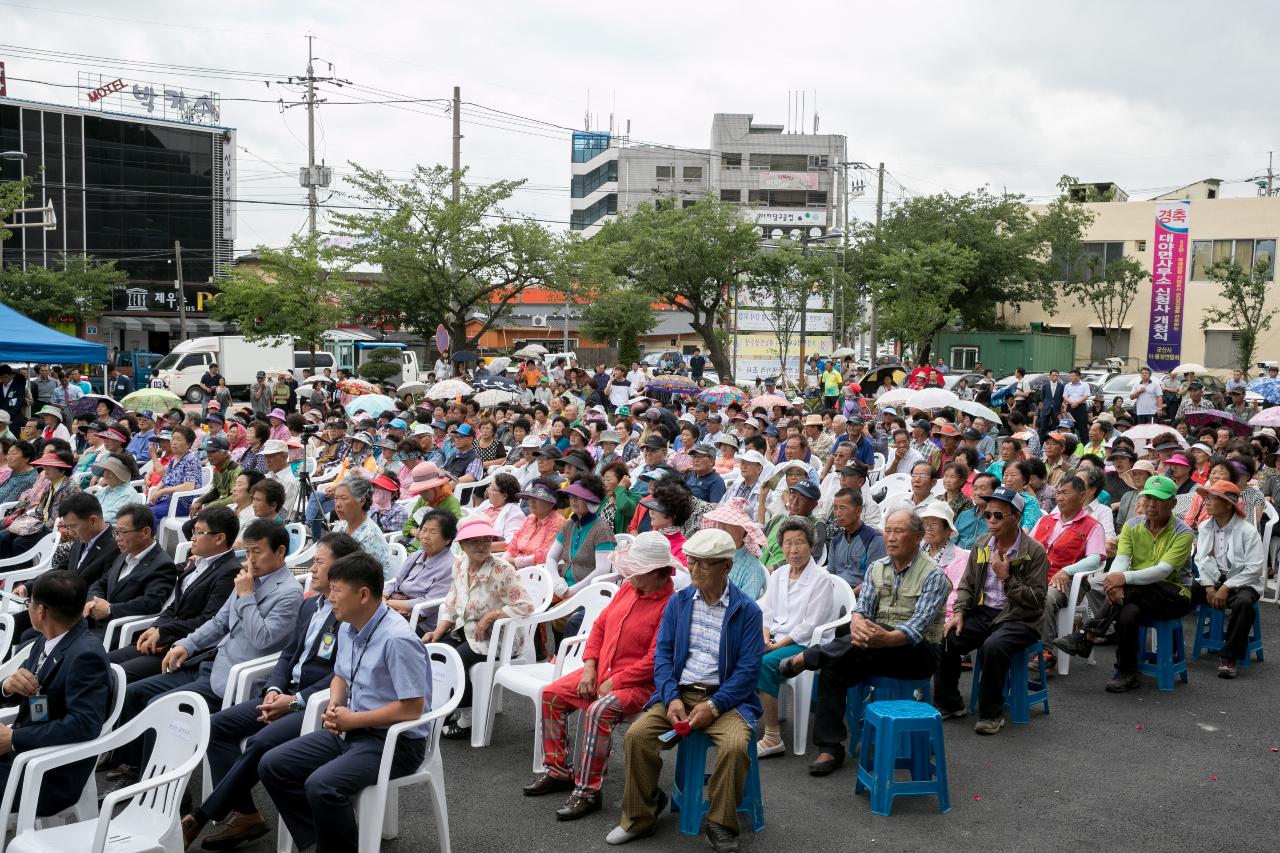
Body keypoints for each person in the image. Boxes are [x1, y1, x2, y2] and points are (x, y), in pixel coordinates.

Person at [181, 532, 362, 850]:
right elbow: (287, 655)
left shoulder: (348, 616)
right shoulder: (310, 607)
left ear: (342, 569)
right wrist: (274, 688)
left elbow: (342, 676)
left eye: (319, 562)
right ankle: (246, 814)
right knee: (217, 726)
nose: (313, 568)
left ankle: (201, 815)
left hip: (314, 704)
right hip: (284, 693)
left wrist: (293, 702)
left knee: (262, 743)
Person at [259, 551, 432, 853]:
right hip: (354, 728)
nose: (330, 598)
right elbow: (340, 675)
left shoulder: (397, 639)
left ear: (363, 594)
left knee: (322, 785)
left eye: (336, 591)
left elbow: (412, 708)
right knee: (274, 764)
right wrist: (336, 704)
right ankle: (319, 842)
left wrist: (353, 720)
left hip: (396, 742)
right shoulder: (348, 625)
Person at [107, 519, 303, 784]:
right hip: (209, 663)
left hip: (235, 678)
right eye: (248, 551)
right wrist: (187, 644)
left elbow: (263, 639)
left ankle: (158, 785)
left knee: (159, 707)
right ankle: (133, 765)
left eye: (258, 551)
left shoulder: (288, 593)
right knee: (135, 692)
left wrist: (246, 596)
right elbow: (219, 622)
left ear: (280, 552)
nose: (251, 558)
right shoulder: (249, 579)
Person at [606, 528, 763, 852]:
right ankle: (640, 816)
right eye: (691, 562)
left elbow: (748, 672)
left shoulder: (747, 611)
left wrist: (715, 705)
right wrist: (671, 696)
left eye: (704, 565)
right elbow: (663, 656)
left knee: (734, 746)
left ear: (726, 567)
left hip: (728, 701)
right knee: (638, 737)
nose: (694, 570)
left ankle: (720, 824)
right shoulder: (679, 604)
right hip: (681, 693)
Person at [778, 509, 949, 775]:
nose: (890, 538)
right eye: (888, 531)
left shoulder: (933, 575)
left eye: (899, 532)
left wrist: (882, 637)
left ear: (917, 537)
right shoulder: (877, 568)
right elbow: (862, 609)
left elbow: (916, 630)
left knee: (873, 631)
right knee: (835, 666)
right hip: (875, 647)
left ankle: (811, 657)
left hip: (918, 653)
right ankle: (830, 748)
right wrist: (858, 623)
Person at [525, 532, 677, 821]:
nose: (630, 575)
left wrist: (615, 681)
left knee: (598, 711)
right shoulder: (629, 589)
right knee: (551, 694)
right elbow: (599, 627)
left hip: (639, 685)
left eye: (637, 571)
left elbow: (656, 660)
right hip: (602, 670)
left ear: (659, 572)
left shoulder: (671, 604)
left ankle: (588, 791)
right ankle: (558, 771)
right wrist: (591, 666)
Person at [1054, 475, 1195, 692]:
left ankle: (1088, 634)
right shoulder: (1132, 525)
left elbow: (1163, 571)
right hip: (1135, 591)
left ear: (1173, 503)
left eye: (1158, 500)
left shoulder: (1183, 532)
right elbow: (1121, 559)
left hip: (1174, 594)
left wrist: (1122, 579)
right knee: (1128, 613)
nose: (1151, 504)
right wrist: (1115, 581)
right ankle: (1127, 673)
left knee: (1137, 586)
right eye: (1148, 498)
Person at [934, 487, 1049, 734]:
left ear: (1016, 517)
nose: (992, 521)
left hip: (1020, 618)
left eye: (999, 516)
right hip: (986, 612)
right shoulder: (982, 545)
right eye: (988, 515)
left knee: (993, 647)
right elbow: (966, 584)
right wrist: (960, 612)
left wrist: (1007, 578)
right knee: (947, 637)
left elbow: (1037, 600)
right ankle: (951, 703)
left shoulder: (1034, 552)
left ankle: (991, 714)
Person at [0, 571, 112, 818]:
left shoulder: (85, 655)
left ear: (41, 611)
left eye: (29, 603)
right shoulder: (49, 639)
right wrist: (8, 686)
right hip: (27, 755)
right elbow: (25, 691)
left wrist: (15, 738)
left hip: (49, 774)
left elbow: (85, 725)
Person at [424, 517, 535, 739]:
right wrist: (439, 630)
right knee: (435, 652)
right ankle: (447, 705)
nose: (482, 545)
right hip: (466, 629)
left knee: (456, 660)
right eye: (474, 541)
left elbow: (526, 605)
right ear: (463, 546)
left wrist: (492, 615)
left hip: (498, 637)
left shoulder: (502, 569)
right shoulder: (460, 564)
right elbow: (453, 600)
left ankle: (468, 718)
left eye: (486, 540)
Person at [107, 506, 240, 683]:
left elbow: (209, 620)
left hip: (183, 648)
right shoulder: (197, 562)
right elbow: (175, 605)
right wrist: (156, 626)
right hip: (163, 638)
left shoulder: (229, 572)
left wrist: (164, 631)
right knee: (100, 662)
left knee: (115, 676)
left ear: (219, 538)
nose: (192, 537)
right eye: (194, 531)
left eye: (199, 532)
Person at [755, 517, 833, 758]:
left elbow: (810, 626)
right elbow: (766, 611)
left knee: (766, 663)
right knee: (739, 653)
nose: (793, 549)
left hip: (806, 644)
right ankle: (737, 721)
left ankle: (772, 737)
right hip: (777, 638)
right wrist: (765, 637)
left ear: (811, 545)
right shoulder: (779, 575)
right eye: (787, 543)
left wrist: (775, 645)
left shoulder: (821, 579)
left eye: (799, 542)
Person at [1189, 480, 1264, 679]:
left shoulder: (1247, 531)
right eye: (1207, 498)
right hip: (1213, 579)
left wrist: (1227, 587)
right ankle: (1169, 646)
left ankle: (1229, 657)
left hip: (1244, 581)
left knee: (1244, 604)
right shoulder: (1206, 526)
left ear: (1228, 504)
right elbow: (1201, 559)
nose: (1207, 502)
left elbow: (1254, 568)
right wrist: (1208, 586)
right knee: (1181, 593)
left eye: (1212, 499)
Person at [1031, 476, 1106, 669]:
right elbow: (1027, 546)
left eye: (1065, 492)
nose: (1059, 497)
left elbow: (1095, 559)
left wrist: (1066, 570)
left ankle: (1045, 653)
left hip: (1070, 581)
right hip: (1037, 575)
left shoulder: (1092, 525)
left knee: (1046, 597)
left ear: (1081, 496)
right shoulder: (1045, 520)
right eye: (1058, 492)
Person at [80, 503, 178, 640]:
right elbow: (100, 584)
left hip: (119, 631)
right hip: (94, 622)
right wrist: (93, 602)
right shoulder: (123, 555)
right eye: (116, 531)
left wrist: (110, 610)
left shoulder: (162, 565)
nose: (117, 538)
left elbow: (151, 603)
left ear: (145, 532)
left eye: (123, 532)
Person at [385, 509, 456, 631]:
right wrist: (383, 595)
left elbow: (427, 606)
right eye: (424, 530)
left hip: (419, 621)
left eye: (433, 532)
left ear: (447, 539)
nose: (425, 536)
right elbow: (396, 581)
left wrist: (388, 603)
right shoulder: (415, 556)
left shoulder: (450, 566)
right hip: (394, 607)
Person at [545, 477, 617, 594]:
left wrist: (571, 592)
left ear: (591, 501)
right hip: (562, 588)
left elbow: (602, 570)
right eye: (571, 496)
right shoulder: (569, 525)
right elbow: (551, 557)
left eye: (578, 497)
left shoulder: (602, 529)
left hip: (588, 593)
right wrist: (556, 580)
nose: (573, 500)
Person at [702, 499, 768, 600]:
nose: (721, 527)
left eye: (727, 522)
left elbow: (745, 607)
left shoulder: (753, 568)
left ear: (744, 529)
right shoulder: (712, 555)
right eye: (720, 521)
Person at [331, 477, 394, 580]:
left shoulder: (370, 536)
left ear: (361, 501)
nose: (337, 504)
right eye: (336, 498)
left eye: (343, 498)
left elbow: (365, 577)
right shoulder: (343, 525)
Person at [825, 488, 886, 592]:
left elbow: (874, 579)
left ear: (859, 510)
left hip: (861, 596)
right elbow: (831, 574)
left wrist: (849, 595)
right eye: (835, 508)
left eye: (843, 508)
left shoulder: (874, 539)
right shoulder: (836, 540)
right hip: (836, 592)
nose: (838, 514)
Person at [147, 424, 202, 526]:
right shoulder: (174, 459)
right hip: (166, 500)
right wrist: (156, 491)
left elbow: (189, 486)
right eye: (173, 439)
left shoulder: (191, 459)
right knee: (139, 511)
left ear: (189, 444)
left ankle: (148, 540)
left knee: (149, 514)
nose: (174, 442)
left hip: (181, 503)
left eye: (179, 439)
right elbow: (165, 479)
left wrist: (162, 491)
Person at [506, 479, 567, 569]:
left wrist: (515, 562)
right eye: (530, 497)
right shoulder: (529, 518)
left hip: (536, 571)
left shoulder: (558, 522)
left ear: (551, 503)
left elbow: (548, 552)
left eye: (538, 498)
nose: (532, 501)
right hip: (513, 567)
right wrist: (503, 561)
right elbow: (514, 545)